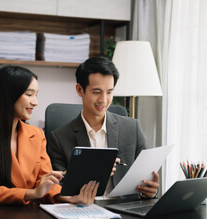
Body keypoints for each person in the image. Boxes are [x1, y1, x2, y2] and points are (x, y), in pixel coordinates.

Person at [0, 65, 98, 205]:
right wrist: (33, 193)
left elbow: (44, 182)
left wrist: (65, 197)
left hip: (29, 216)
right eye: (29, 94)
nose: (35, 102)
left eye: (36, 95)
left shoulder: (37, 134)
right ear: (9, 95)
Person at [47, 57, 159, 199]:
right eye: (96, 92)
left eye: (109, 92)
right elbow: (57, 190)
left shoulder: (132, 127)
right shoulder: (60, 137)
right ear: (80, 90)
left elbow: (145, 179)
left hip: (126, 212)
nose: (103, 100)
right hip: (83, 211)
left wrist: (150, 191)